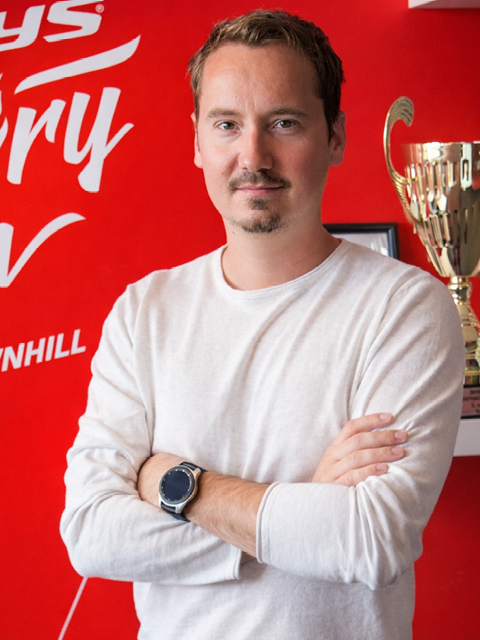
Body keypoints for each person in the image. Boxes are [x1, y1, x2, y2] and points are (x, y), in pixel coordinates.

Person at [61, 9, 464, 640]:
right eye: (227, 124)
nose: (253, 155)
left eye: (284, 123)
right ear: (198, 142)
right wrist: (302, 508)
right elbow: (91, 533)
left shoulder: (405, 308)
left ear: (335, 137)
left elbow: (369, 539)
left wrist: (178, 487)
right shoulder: (144, 312)